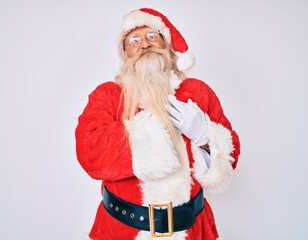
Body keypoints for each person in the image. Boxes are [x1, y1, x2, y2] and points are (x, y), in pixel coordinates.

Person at [75, 8, 240, 240]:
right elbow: (89, 151)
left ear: (167, 46)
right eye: (135, 40)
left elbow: (230, 155)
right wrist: (151, 133)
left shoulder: (198, 93)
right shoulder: (108, 95)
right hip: (123, 231)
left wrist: (205, 136)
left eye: (152, 36)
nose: (145, 44)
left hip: (191, 229)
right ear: (125, 53)